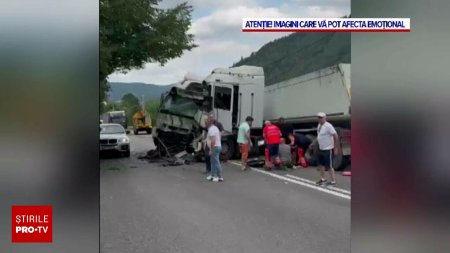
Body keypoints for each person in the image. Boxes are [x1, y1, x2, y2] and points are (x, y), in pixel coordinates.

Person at [313, 112, 340, 186]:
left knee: (329, 166)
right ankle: (323, 179)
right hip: (321, 148)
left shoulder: (328, 126)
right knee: (321, 165)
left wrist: (335, 148)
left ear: (325, 118)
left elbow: (335, 136)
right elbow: (319, 137)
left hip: (328, 149)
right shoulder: (319, 125)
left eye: (321, 117)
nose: (320, 119)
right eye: (319, 117)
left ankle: (333, 181)